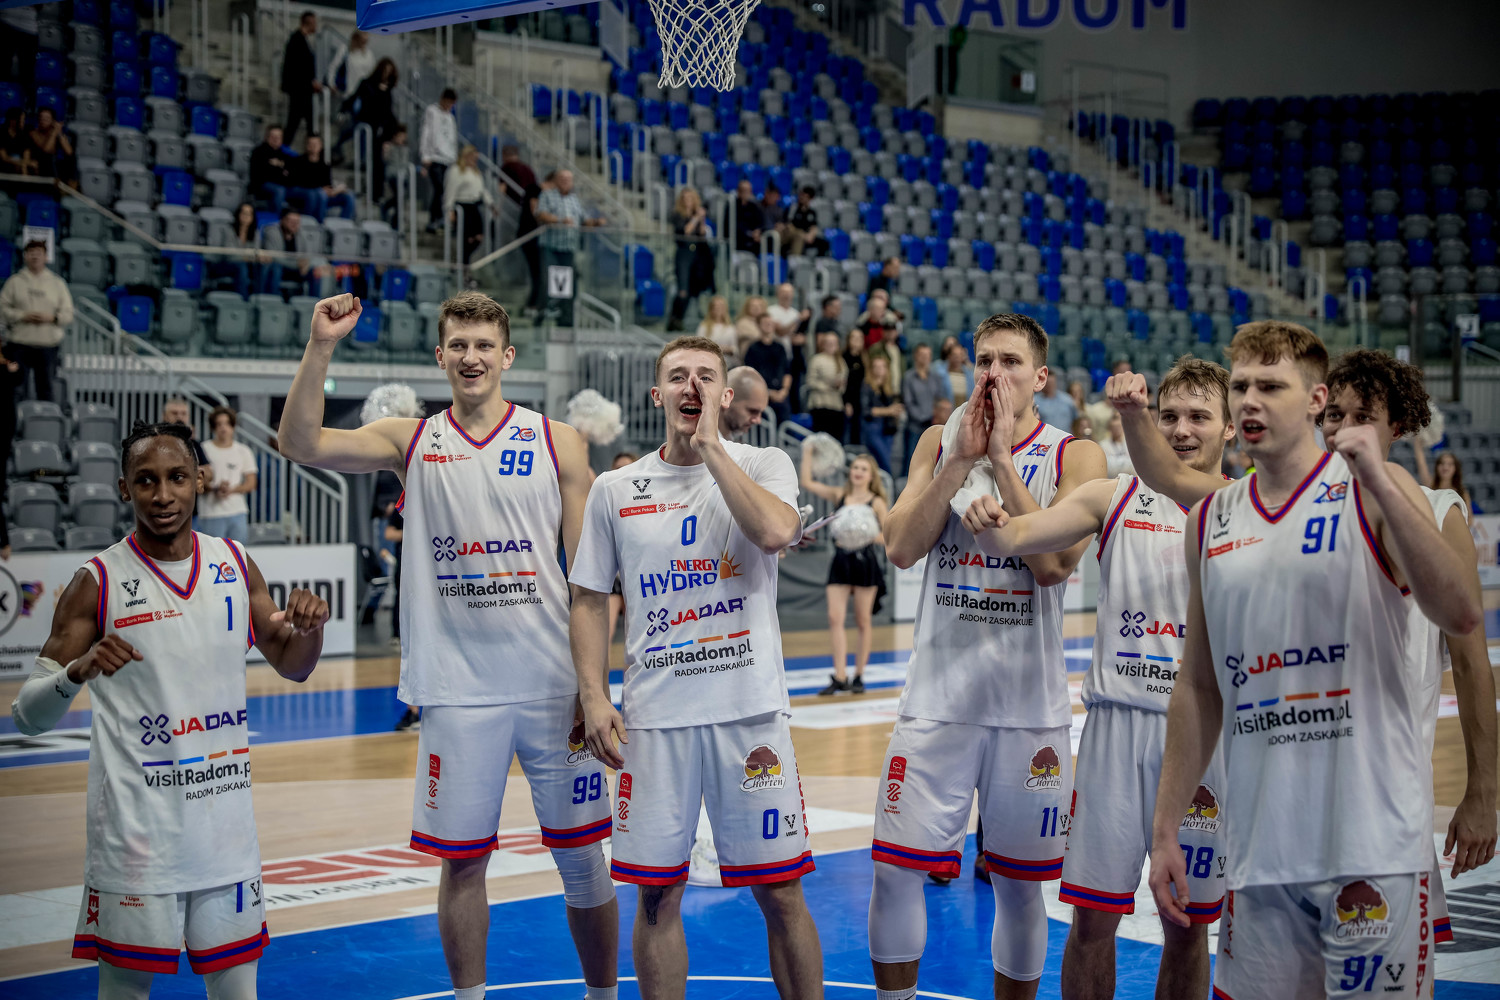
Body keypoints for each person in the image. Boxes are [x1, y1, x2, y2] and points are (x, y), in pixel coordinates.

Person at [279, 291, 618, 1000]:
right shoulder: (409, 440)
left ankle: (603, 995)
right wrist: (320, 345)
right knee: (462, 864)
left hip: (553, 687)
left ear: (507, 356)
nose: (471, 357)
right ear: (440, 356)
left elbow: (590, 584)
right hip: (458, 692)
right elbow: (300, 444)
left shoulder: (558, 441)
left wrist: (594, 689)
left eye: (484, 345)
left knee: (585, 861)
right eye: (458, 345)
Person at [1145, 322, 1480, 1000]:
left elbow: (1461, 613)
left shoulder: (1375, 489)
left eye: (1271, 386)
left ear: (1316, 400)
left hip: (1374, 846)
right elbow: (1200, 686)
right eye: (1241, 386)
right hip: (1260, 850)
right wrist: (1165, 829)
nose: (1250, 401)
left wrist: (1381, 480)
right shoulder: (1210, 520)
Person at [10, 420, 329, 1000]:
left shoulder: (235, 562)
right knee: (125, 993)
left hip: (225, 836)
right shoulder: (96, 582)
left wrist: (310, 630)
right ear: (123, 488)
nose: (163, 495)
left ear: (200, 480)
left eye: (177, 477)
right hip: (137, 843)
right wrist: (76, 672)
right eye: (146, 480)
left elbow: (294, 664)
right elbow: (28, 717)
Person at [964, 357, 1236, 1000]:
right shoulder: (1113, 496)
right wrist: (992, 510)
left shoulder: (1247, 508)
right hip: (1117, 728)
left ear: (1230, 428)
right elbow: (1026, 539)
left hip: (1206, 735)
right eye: (1170, 416)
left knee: (1189, 925)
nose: (1182, 429)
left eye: (1200, 416)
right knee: (1091, 920)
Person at [569, 335, 823, 1000]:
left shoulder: (764, 463)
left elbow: (776, 532)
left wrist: (712, 448)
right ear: (657, 394)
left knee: (781, 890)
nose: (692, 387)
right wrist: (594, 696)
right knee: (656, 896)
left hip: (749, 712)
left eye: (706, 377)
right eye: (678, 376)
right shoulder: (614, 488)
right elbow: (589, 599)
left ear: (725, 394)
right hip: (657, 718)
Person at [871, 312, 1106, 1000]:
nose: (994, 374)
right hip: (937, 701)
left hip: (1027, 708)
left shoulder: (1076, 456)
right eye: (983, 361)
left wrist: (1001, 462)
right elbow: (900, 548)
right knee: (893, 870)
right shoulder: (937, 441)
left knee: (1019, 887)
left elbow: (1054, 566)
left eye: (1010, 362)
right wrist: (959, 464)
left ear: (1041, 377)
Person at [1317, 349, 1497, 939]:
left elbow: (1470, 664)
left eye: (1362, 416)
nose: (1343, 430)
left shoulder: (1439, 512)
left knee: (1388, 970)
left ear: (1396, 426)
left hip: (1387, 797)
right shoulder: (1283, 515)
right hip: (1292, 795)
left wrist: (1482, 792)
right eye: (1334, 415)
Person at [803, 452, 888, 695]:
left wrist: (867, 536)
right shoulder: (840, 495)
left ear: (871, 476)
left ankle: (859, 675)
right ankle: (840, 675)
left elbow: (889, 535)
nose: (858, 472)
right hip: (841, 560)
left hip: (865, 560)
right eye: (855, 467)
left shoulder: (876, 502)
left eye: (864, 469)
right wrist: (808, 451)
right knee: (834, 617)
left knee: (863, 620)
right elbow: (807, 482)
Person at [0, 237, 72, 402]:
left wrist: (53, 318)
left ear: (46, 257)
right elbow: (2, 309)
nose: (35, 256)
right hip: (19, 344)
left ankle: (46, 418)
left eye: (39, 253)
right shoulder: (14, 282)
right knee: (17, 388)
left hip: (48, 346)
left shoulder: (57, 283)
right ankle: (17, 418)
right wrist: (22, 316)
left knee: (46, 388)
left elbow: (68, 313)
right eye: (31, 252)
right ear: (25, 256)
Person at [536, 169, 606, 326]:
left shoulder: (574, 199)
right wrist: (560, 220)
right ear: (556, 181)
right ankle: (543, 315)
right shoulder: (547, 195)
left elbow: (583, 220)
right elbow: (540, 214)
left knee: (569, 284)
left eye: (568, 179)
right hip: (551, 246)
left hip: (568, 248)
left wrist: (596, 222)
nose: (565, 182)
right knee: (549, 281)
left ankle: (565, 318)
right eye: (562, 179)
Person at [196, 406, 259, 543]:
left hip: (237, 511)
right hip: (210, 512)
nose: (223, 428)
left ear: (233, 426)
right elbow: (197, 480)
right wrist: (215, 488)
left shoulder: (243, 451)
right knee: (211, 553)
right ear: (213, 427)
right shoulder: (204, 448)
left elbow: (251, 483)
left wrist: (231, 490)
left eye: (227, 423)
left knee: (237, 553)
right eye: (219, 424)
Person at [604, 450, 640, 647]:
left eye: (627, 468)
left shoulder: (648, 501)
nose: (622, 473)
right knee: (604, 634)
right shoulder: (604, 498)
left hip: (637, 578)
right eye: (618, 469)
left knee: (635, 637)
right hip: (613, 578)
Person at [500, 146, 543, 308]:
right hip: (527, 223)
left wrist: (499, 208)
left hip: (516, 216)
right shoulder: (528, 169)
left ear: (504, 155)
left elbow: (502, 190)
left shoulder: (506, 168)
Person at [901, 344, 951, 477]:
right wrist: (924, 416)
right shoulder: (909, 377)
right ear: (916, 356)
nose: (925, 358)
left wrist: (938, 415)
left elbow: (940, 398)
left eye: (928, 355)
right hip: (915, 426)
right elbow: (908, 403)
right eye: (922, 355)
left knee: (931, 461)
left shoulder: (935, 377)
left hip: (933, 425)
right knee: (910, 460)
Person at [353, 58, 400, 201]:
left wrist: (390, 135)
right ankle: (371, 191)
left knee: (379, 163)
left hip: (381, 131)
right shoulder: (367, 84)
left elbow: (389, 113)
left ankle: (377, 193)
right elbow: (357, 99)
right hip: (369, 126)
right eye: (385, 71)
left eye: (389, 72)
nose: (386, 74)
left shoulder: (388, 91)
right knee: (374, 161)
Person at [667, 187, 711, 332]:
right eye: (685, 198)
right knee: (683, 291)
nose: (688, 201)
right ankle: (674, 318)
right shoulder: (677, 215)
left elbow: (702, 233)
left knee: (692, 290)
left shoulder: (696, 215)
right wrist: (696, 218)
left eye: (690, 198)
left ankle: (679, 320)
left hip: (697, 253)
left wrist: (702, 219)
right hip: (684, 252)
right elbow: (686, 231)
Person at [260, 208, 326, 298]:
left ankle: (314, 302)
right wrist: (297, 264)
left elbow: (306, 255)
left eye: (297, 222)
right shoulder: (272, 231)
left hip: (295, 269)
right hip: (278, 268)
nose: (294, 224)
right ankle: (272, 300)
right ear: (282, 220)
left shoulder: (300, 234)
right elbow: (274, 257)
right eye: (291, 221)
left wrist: (306, 263)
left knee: (315, 271)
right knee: (276, 268)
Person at [444, 145, 493, 266]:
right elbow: (450, 190)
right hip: (462, 206)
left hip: (474, 206)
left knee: (478, 237)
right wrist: (449, 209)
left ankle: (464, 261)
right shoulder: (456, 170)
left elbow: (482, 190)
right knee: (467, 238)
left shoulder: (475, 172)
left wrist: (491, 203)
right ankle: (462, 264)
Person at [289, 134, 355, 222]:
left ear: (320, 146)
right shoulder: (298, 161)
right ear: (306, 145)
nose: (313, 147)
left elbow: (327, 184)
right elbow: (297, 182)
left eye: (316, 144)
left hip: (323, 194)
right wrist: (321, 189)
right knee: (320, 194)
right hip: (307, 193)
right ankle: (319, 223)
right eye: (310, 144)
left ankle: (344, 224)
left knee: (349, 195)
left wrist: (335, 190)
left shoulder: (324, 164)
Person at [421, 89, 459, 234]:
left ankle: (442, 217)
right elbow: (427, 133)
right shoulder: (432, 111)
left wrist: (454, 159)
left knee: (446, 190)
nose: (449, 106)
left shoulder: (450, 117)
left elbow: (452, 139)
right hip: (435, 157)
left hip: (448, 159)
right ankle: (434, 218)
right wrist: (426, 155)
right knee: (439, 188)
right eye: (448, 102)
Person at [280, 11, 321, 146]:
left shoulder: (301, 40)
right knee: (295, 122)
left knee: (305, 122)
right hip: (300, 90)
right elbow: (297, 68)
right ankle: (285, 147)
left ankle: (313, 147)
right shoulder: (297, 40)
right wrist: (310, 83)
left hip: (303, 90)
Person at [744, 314, 793, 426]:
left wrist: (784, 391)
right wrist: (768, 393)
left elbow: (787, 372)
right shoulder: (753, 349)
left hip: (781, 396)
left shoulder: (780, 347)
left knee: (784, 425)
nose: (768, 325)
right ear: (759, 326)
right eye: (765, 323)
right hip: (761, 397)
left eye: (770, 323)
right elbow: (750, 376)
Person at [859, 356, 902, 475]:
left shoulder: (887, 387)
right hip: (873, 427)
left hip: (887, 429)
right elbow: (866, 411)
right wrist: (888, 411)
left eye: (882, 366)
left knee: (885, 461)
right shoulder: (867, 386)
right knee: (884, 461)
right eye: (876, 367)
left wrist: (896, 410)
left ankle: (884, 484)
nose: (879, 370)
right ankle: (890, 483)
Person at [161, 397, 213, 496]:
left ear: (188, 417)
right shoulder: (155, 442)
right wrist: (191, 471)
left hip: (188, 502)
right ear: (164, 415)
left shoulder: (194, 444)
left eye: (183, 413)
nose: (179, 417)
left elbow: (209, 475)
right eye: (174, 413)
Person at [806, 330, 848, 439]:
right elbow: (810, 381)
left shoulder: (841, 361)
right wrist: (828, 386)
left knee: (836, 437)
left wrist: (839, 385)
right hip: (820, 403)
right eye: (829, 342)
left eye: (834, 342)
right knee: (821, 438)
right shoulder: (816, 359)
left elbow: (844, 384)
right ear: (823, 344)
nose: (831, 345)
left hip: (836, 404)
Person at [249, 125, 292, 214]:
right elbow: (261, 175)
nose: (276, 139)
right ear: (266, 137)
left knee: (312, 193)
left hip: (283, 185)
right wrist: (281, 169)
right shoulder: (258, 152)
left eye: (278, 137)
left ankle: (310, 221)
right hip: (261, 185)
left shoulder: (285, 154)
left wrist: (278, 165)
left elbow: (292, 173)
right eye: (273, 136)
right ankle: (277, 218)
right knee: (279, 190)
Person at [720, 366, 769, 439]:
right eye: (753, 411)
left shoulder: (728, 440)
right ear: (726, 398)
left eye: (760, 413)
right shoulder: (704, 443)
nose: (758, 421)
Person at [863, 311, 904, 397]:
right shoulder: (876, 349)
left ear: (896, 332)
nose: (890, 333)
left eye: (892, 330)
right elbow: (869, 368)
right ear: (882, 332)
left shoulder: (900, 350)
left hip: (897, 390)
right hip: (881, 390)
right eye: (887, 330)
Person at [28, 106, 73, 181]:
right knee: (48, 158)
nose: (43, 120)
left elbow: (69, 152)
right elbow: (46, 150)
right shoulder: (33, 133)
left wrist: (59, 133)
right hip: (37, 165)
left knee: (70, 160)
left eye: (47, 118)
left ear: (52, 121)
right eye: (41, 118)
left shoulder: (56, 133)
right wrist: (54, 131)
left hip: (52, 166)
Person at [695, 295, 738, 365]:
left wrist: (726, 349)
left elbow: (735, 349)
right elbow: (699, 345)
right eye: (716, 306)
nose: (718, 309)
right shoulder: (704, 326)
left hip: (726, 363)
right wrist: (717, 348)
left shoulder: (731, 328)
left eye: (721, 306)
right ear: (711, 309)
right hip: (708, 362)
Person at [785, 186, 827, 256]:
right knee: (799, 238)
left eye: (805, 197)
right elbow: (789, 225)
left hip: (807, 235)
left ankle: (819, 261)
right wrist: (804, 236)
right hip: (795, 233)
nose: (802, 198)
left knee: (824, 243)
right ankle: (795, 259)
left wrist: (811, 235)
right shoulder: (793, 208)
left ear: (810, 198)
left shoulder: (811, 212)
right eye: (801, 195)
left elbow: (814, 227)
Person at [842, 328, 867, 445]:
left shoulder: (865, 359)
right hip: (848, 400)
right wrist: (846, 402)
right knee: (847, 433)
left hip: (861, 401)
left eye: (860, 338)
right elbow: (844, 383)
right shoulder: (843, 358)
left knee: (858, 434)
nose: (857, 340)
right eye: (854, 337)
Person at [1431, 450, 1474, 514]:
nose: (1445, 467)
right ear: (1436, 467)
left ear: (1455, 468)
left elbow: (1469, 517)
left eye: (1450, 464)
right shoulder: (1430, 487)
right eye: (1442, 463)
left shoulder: (1462, 493)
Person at [0, 107, 36, 174]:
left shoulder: (25, 133)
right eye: (21, 120)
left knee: (32, 165)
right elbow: (4, 157)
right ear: (12, 120)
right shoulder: (2, 132)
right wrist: (20, 162)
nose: (23, 122)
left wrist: (25, 163)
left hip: (20, 162)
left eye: (24, 120)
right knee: (18, 162)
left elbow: (26, 153)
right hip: (5, 163)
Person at [1100, 410, 1133, 477]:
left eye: (1119, 427)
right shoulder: (1103, 445)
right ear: (1109, 428)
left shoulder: (1131, 443)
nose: (1117, 430)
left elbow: (1134, 466)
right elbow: (1106, 467)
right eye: (1114, 428)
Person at [733, 179, 762, 253]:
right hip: (738, 239)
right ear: (738, 191)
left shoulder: (753, 206)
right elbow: (733, 225)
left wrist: (757, 231)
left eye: (748, 191)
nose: (746, 193)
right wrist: (750, 234)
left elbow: (759, 222)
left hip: (753, 240)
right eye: (743, 191)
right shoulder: (732, 206)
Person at [760, 181, 787, 250]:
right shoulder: (759, 207)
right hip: (765, 234)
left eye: (775, 196)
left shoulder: (779, 209)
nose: (771, 197)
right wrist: (774, 228)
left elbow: (783, 222)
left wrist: (782, 226)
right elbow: (764, 225)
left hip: (778, 234)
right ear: (766, 194)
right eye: (770, 194)